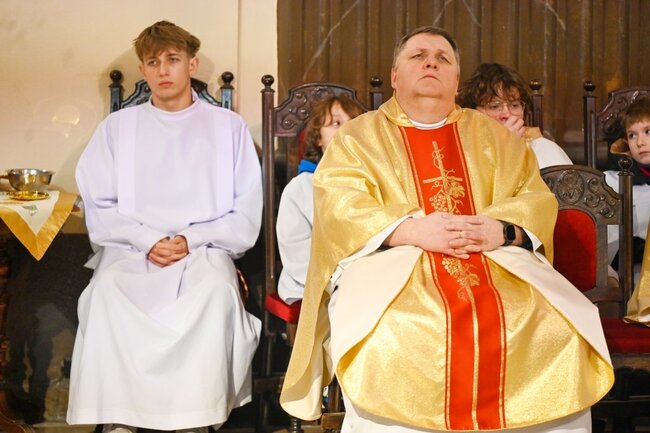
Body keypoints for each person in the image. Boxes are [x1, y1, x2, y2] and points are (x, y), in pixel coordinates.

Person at [280, 26, 613, 433]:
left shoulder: (495, 137)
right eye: (418, 55)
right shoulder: (357, 137)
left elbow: (534, 196)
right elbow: (339, 206)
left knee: (556, 323)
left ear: (456, 81)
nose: (431, 63)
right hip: (391, 259)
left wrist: (501, 229)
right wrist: (410, 230)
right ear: (395, 76)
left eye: (443, 58)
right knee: (394, 329)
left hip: (492, 256)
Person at [68, 21, 262, 433]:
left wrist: (191, 239)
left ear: (192, 64)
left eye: (173, 59)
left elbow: (245, 208)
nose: (163, 70)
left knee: (214, 293)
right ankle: (121, 418)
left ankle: (194, 418)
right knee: (106, 292)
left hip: (205, 249)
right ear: (143, 70)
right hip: (131, 249)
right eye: (153, 62)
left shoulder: (228, 127)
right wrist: (147, 239)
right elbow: (99, 202)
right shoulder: (117, 128)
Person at [276, 96, 364, 304]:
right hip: (313, 281)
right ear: (318, 138)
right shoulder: (300, 188)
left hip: (365, 272)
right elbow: (296, 249)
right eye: (336, 123)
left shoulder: (370, 183)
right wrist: (342, 274)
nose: (346, 130)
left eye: (353, 123)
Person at [456, 62, 572, 168]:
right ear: (473, 112)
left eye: (514, 105)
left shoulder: (543, 148)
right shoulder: (464, 152)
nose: (506, 114)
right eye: (494, 106)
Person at [605, 97, 650, 325]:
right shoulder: (619, 178)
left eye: (648, 132)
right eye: (632, 135)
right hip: (634, 263)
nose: (640, 142)